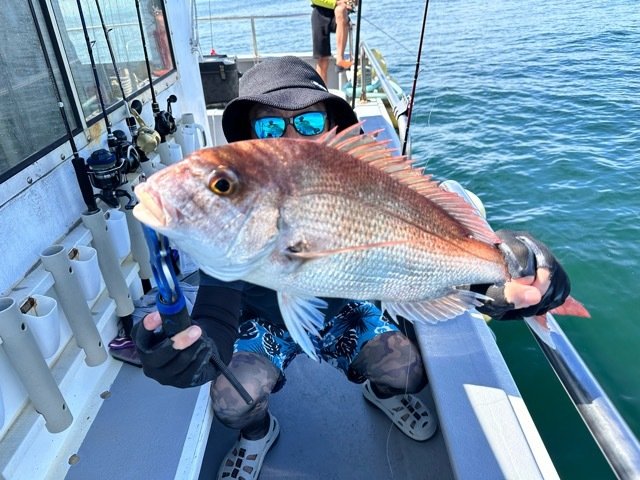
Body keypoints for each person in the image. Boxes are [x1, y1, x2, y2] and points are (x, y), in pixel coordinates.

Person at [133, 56, 572, 480]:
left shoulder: (364, 178)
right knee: (232, 396)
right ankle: (257, 432)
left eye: (309, 122)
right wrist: (189, 352)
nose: (292, 135)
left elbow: (428, 253)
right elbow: (216, 314)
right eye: (269, 126)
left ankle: (381, 393)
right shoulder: (222, 242)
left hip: (346, 311)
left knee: (407, 370)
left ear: (330, 125)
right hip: (264, 324)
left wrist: (502, 273)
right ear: (250, 136)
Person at [311, 0, 354, 84]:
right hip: (320, 13)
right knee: (322, 61)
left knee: (340, 10)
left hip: (339, 14)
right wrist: (336, 2)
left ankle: (340, 59)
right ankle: (322, 90)